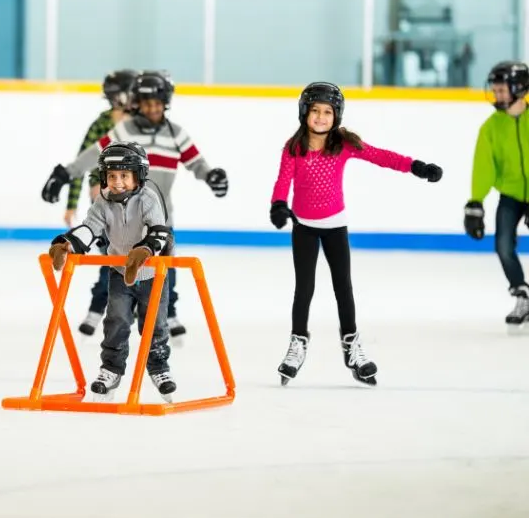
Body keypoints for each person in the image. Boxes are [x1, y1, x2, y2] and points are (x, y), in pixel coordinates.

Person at [269, 81, 442, 386]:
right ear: (304, 113)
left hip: (335, 225)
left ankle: (351, 346)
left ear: (337, 116)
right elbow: (283, 181)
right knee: (304, 289)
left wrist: (416, 166)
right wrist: (279, 205)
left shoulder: (344, 144)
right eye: (315, 111)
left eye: (327, 112)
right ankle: (298, 343)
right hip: (304, 228)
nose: (321, 117)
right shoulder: (293, 147)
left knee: (343, 288)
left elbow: (380, 156)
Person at [41, 70, 228, 339]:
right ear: (137, 103)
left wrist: (211, 176)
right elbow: (94, 154)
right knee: (116, 263)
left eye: (157, 103)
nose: (151, 109)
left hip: (161, 219)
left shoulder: (176, 134)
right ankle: (112, 310)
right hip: (123, 217)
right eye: (146, 103)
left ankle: (168, 311)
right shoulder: (125, 130)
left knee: (166, 267)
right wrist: (65, 173)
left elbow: (195, 162)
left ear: (166, 103)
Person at [48, 142, 176, 402]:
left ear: (138, 176)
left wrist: (144, 251)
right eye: (112, 176)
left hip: (153, 274)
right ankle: (111, 369)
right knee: (116, 321)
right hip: (120, 271)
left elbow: (160, 232)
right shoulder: (102, 201)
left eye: (124, 176)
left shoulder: (148, 198)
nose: (117, 182)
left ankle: (159, 368)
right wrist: (68, 244)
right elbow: (90, 227)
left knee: (155, 325)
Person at [64, 69, 138, 336]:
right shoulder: (102, 124)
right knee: (112, 260)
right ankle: (97, 310)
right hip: (104, 205)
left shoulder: (140, 124)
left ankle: (134, 311)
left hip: (136, 205)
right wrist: (71, 203)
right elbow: (81, 160)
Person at [465, 61, 529, 331]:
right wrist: (476, 202)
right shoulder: (490, 127)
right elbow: (484, 166)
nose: (497, 95)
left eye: (502, 90)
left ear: (520, 88)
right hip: (511, 195)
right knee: (503, 245)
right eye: (495, 90)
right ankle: (522, 297)